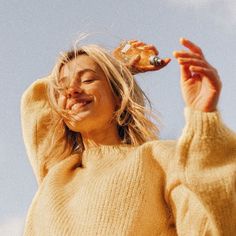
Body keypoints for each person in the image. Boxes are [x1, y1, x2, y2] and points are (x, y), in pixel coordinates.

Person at [21, 37, 236, 236]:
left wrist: (203, 117)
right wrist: (115, 64)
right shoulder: (57, 170)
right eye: (62, 87)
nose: (72, 91)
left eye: (87, 80)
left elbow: (211, 224)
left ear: (118, 96)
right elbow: (36, 100)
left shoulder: (158, 159)